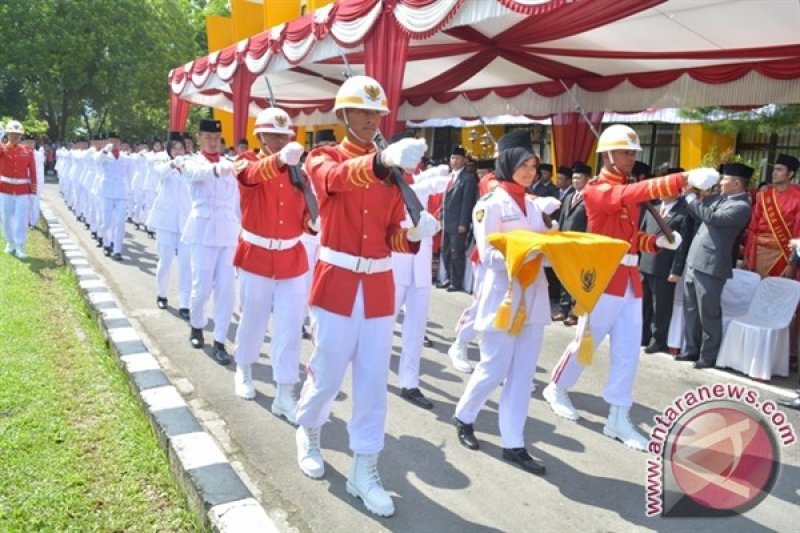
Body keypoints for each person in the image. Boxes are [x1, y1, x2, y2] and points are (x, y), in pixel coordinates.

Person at [293, 75, 437, 517]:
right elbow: (332, 181)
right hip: (336, 281)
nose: (372, 118)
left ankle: (365, 468)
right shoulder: (324, 156)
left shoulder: (393, 173)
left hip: (377, 287)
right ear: (343, 116)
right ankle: (309, 429)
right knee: (328, 372)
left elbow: (391, 234)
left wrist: (412, 234)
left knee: (374, 382)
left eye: (376, 112)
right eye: (363, 111)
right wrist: (379, 163)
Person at [544, 124, 717, 451]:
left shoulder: (627, 187)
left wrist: (656, 242)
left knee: (627, 354)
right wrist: (683, 178)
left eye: (633, 153)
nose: (630, 158)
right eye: (625, 152)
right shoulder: (597, 189)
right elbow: (621, 199)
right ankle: (556, 387)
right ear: (607, 155)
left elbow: (628, 237)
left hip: (630, 282)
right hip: (604, 279)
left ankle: (618, 417)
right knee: (587, 344)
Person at [453, 130, 556, 475]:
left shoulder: (534, 205)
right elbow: (489, 256)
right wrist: (530, 252)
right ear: (508, 164)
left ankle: (514, 443)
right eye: (524, 165)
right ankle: (465, 416)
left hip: (535, 298)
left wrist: (558, 251)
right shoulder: (489, 205)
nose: (529, 172)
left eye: (533, 165)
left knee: (523, 375)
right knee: (494, 368)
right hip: (504, 297)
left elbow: (548, 255)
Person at [231, 107, 313, 425]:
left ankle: (284, 391)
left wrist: (312, 224)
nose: (280, 140)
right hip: (257, 255)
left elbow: (304, 213)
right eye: (274, 135)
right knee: (252, 320)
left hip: (291, 258)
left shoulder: (299, 173)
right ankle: (244, 367)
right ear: (260, 136)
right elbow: (249, 177)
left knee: (290, 329)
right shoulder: (247, 162)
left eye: (285, 135)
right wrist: (280, 161)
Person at [676, 162, 753, 368]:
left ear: (737, 183)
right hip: (695, 259)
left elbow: (711, 217)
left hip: (711, 265)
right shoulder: (722, 198)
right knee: (691, 308)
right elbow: (698, 213)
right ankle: (691, 349)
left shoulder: (741, 206)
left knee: (708, 312)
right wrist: (692, 193)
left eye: (725, 179)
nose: (721, 182)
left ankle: (708, 355)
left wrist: (692, 198)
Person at [181, 118, 240, 365]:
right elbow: (196, 174)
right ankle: (196, 326)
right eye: (208, 137)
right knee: (201, 287)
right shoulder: (191, 162)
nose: (213, 142)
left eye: (216, 138)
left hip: (228, 233)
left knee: (227, 291)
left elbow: (237, 201)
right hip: (203, 234)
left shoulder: (231, 164)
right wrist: (216, 169)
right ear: (199, 138)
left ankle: (219, 340)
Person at [640, 193, 695, 353]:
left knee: (661, 307)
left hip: (665, 267)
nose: (663, 192)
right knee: (645, 303)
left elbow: (682, 246)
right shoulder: (653, 208)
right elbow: (641, 233)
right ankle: (643, 335)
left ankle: (658, 340)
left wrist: (676, 270)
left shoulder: (683, 213)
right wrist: (636, 259)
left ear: (676, 192)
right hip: (646, 263)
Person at [146, 132, 192, 320]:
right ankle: (162, 294)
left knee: (185, 265)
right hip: (166, 222)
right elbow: (159, 173)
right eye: (175, 148)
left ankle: (184, 303)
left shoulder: (191, 165)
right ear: (170, 151)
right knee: (165, 261)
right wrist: (173, 164)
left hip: (185, 223)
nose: (179, 151)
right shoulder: (162, 165)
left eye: (181, 147)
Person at [744, 154, 800, 278]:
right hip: (759, 253)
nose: (774, 173)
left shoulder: (798, 200)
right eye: (774, 169)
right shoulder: (763, 197)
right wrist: (748, 255)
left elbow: (798, 236)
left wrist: (792, 263)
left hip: (782, 256)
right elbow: (753, 228)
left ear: (790, 174)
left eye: (779, 170)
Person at [552, 162, 591, 326]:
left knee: (576, 278)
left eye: (579, 178)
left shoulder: (589, 198)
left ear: (587, 179)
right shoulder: (569, 196)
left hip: (579, 243)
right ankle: (563, 309)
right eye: (574, 178)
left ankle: (575, 313)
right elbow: (562, 218)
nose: (575, 181)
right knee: (564, 277)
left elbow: (590, 222)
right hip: (565, 242)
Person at [440, 146, 477, 292]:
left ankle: (456, 282)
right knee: (446, 251)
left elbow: (467, 202)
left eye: (458, 158)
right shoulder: (449, 176)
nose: (454, 161)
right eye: (452, 158)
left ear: (464, 160)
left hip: (458, 222)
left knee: (457, 252)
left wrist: (463, 223)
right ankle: (448, 278)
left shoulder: (467, 178)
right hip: (447, 221)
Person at [0, 120, 37, 258]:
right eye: (12, 134)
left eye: (18, 135)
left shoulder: (27, 151)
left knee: (21, 218)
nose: (15, 137)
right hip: (5, 189)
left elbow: (33, 172)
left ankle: (20, 245)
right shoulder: (2, 149)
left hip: (22, 189)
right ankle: (10, 242)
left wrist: (33, 191)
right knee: (6, 217)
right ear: (7, 135)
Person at [95, 132, 132, 261]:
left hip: (121, 193)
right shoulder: (103, 155)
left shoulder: (126, 158)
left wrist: (129, 191)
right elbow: (98, 162)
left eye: (116, 141)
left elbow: (129, 175)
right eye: (111, 141)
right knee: (107, 222)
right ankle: (106, 244)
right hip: (108, 192)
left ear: (120, 143)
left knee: (120, 223)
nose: (114, 143)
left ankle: (117, 250)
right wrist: (105, 150)